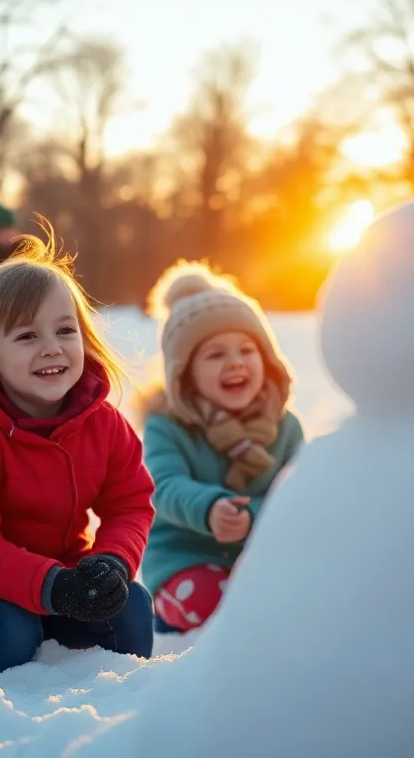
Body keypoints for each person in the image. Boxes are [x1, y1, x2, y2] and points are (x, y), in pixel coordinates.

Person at [0, 238, 156, 675]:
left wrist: (111, 562)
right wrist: (52, 585)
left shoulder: (102, 422)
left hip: (65, 579)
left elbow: (130, 502)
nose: (52, 347)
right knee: (12, 631)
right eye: (27, 335)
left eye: (65, 330)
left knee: (133, 604)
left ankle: (124, 709)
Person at [138, 261, 303, 633]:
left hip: (263, 556)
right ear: (185, 374)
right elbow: (162, 487)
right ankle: (171, 613)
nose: (235, 363)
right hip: (186, 558)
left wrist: (253, 516)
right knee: (212, 603)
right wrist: (210, 508)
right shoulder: (168, 426)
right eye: (215, 355)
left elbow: (298, 492)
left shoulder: (284, 426)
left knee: (301, 594)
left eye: (247, 350)